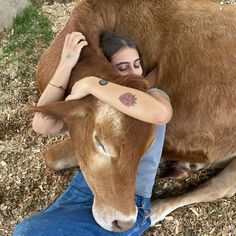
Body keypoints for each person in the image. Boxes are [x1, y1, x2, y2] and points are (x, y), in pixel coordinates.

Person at [13, 31, 172, 235]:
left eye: (137, 64)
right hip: (85, 187)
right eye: (122, 68)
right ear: (107, 71)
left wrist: (92, 83)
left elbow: (161, 113)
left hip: (130, 203)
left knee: (26, 232)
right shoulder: (95, 106)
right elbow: (42, 125)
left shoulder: (152, 96)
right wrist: (66, 64)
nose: (134, 73)